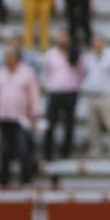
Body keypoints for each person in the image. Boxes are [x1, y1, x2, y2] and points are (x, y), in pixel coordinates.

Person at [0, 44, 41, 187]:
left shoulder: (27, 72)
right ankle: (3, 180)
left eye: (10, 56)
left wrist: (34, 115)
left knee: (23, 149)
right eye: (6, 56)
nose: (7, 59)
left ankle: (25, 179)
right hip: (3, 117)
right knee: (4, 150)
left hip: (21, 117)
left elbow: (33, 95)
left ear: (17, 58)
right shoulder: (0, 72)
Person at [40, 29, 85, 163]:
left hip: (70, 92)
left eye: (65, 36)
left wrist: (76, 84)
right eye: (60, 36)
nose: (62, 39)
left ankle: (66, 152)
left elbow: (82, 72)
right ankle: (48, 152)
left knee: (69, 124)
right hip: (55, 92)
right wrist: (47, 85)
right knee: (50, 123)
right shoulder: (51, 54)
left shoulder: (76, 54)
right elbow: (45, 72)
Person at [80, 33, 110, 159]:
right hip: (92, 95)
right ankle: (95, 150)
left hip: (108, 94)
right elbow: (84, 74)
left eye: (98, 42)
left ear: (104, 42)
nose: (96, 44)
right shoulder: (88, 57)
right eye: (94, 42)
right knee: (93, 125)